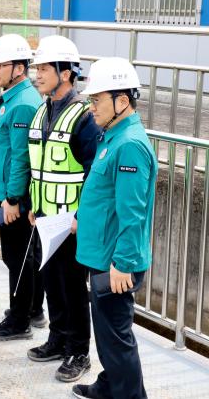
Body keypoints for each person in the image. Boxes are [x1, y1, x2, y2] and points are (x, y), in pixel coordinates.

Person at [72, 57, 156, 399]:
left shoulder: (129, 145)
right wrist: (82, 216)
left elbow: (132, 213)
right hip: (102, 254)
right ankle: (110, 386)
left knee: (118, 339)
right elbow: (102, 191)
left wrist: (122, 263)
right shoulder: (112, 135)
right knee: (106, 336)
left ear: (122, 101)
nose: (91, 107)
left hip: (115, 261)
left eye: (97, 100)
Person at [25, 35, 100, 383]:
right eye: (36, 68)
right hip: (45, 217)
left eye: (43, 68)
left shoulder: (83, 118)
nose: (36, 74)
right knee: (51, 282)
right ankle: (57, 339)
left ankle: (78, 351)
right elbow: (37, 165)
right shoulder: (43, 110)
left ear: (66, 73)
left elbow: (93, 172)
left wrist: (80, 217)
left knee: (72, 286)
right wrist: (33, 206)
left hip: (69, 222)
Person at [0, 34, 45, 340]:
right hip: (8, 191)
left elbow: (21, 157)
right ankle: (32, 309)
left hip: (13, 196)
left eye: (1, 65)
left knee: (17, 258)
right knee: (26, 256)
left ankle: (19, 321)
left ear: (19, 68)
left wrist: (12, 199)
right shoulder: (14, 98)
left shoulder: (22, 104)